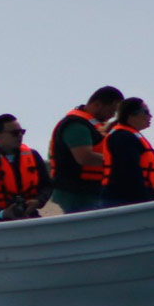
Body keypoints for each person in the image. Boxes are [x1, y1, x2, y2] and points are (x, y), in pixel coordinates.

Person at [48, 85, 124, 214]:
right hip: (77, 193)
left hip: (91, 191)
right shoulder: (77, 125)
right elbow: (84, 157)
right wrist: (118, 161)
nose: (112, 115)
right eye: (111, 111)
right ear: (98, 105)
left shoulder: (94, 125)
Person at [0, 113, 54, 224]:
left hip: (30, 217)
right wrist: (2, 213)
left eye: (22, 132)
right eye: (15, 133)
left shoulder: (33, 155)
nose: (20, 135)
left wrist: (38, 201)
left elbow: (47, 185)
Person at [99, 98, 154, 207]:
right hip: (123, 200)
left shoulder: (130, 135)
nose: (150, 116)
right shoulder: (122, 137)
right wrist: (143, 200)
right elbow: (128, 172)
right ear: (131, 114)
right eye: (146, 112)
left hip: (132, 198)